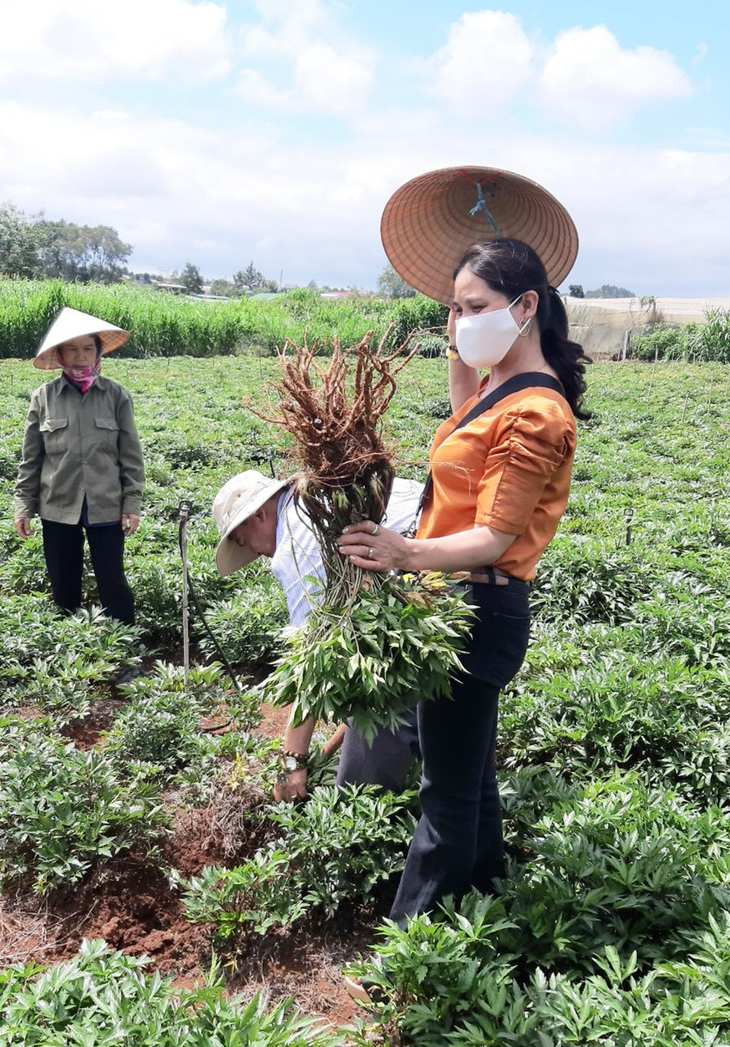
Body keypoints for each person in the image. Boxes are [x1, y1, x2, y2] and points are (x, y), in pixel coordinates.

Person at [337, 167, 589, 998]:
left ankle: (402, 958)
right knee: (471, 776)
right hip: (456, 601)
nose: (460, 320)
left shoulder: (536, 410)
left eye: (477, 305)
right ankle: (487, 906)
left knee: (444, 791)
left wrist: (405, 553)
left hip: (479, 604)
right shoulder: (492, 390)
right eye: (453, 306)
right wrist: (463, 290)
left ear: (524, 308)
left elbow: (497, 534)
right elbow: (458, 393)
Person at [212, 469, 423, 800]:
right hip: (466, 586)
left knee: (357, 793)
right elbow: (355, 649)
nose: (257, 554)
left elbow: (314, 658)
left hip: (442, 600)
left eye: (244, 541)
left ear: (260, 515)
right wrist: (328, 748)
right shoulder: (317, 504)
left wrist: (293, 760)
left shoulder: (296, 542)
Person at [14, 306, 144, 627]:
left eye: (88, 348)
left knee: (112, 581)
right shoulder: (43, 398)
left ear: (98, 351)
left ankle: (122, 646)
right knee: (63, 585)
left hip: (107, 507)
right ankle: (70, 645)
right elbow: (31, 460)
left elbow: (131, 456)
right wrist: (23, 506)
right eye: (72, 349)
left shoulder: (116, 396)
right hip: (58, 506)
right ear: (60, 354)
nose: (81, 356)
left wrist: (132, 504)